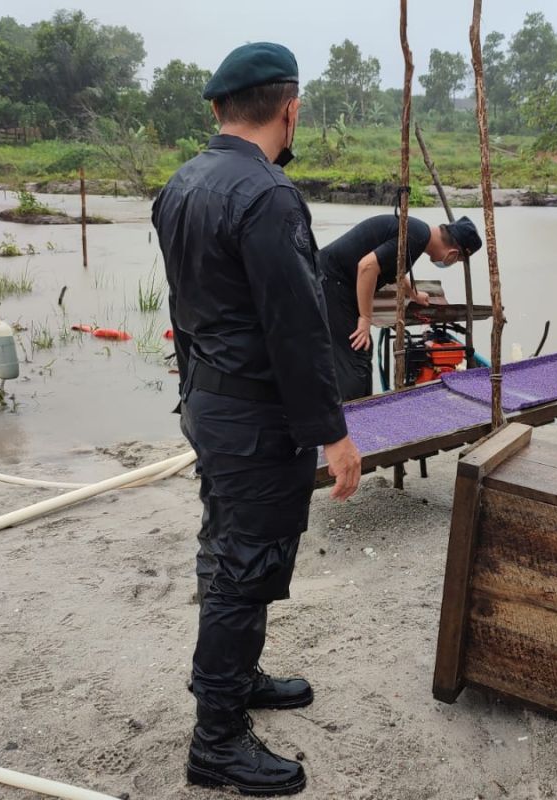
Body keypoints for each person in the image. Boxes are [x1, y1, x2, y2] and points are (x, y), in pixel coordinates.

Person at [152, 42, 361, 796]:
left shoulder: (182, 183)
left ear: (216, 109)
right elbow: (297, 329)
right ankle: (217, 742)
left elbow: (189, 309)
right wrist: (334, 434)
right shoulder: (268, 195)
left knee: (226, 547)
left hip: (209, 403)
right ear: (289, 107)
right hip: (253, 416)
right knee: (245, 568)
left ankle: (235, 680)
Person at [317, 214, 482, 401]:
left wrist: (413, 294)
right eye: (457, 260)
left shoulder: (418, 234)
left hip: (337, 282)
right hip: (332, 283)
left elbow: (395, 266)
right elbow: (367, 266)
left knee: (360, 355)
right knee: (354, 360)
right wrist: (365, 318)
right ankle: (348, 418)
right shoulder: (416, 237)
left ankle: (358, 411)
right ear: (453, 254)